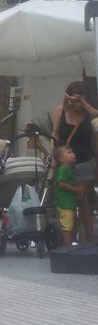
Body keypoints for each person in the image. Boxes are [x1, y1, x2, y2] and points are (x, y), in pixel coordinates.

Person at [52, 81, 98, 243]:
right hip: (65, 162)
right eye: (75, 100)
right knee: (68, 201)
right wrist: (53, 155)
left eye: (81, 100)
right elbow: (55, 134)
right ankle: (70, 238)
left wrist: (83, 103)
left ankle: (89, 238)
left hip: (85, 160)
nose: (77, 105)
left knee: (83, 198)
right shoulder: (61, 110)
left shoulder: (88, 113)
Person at [54, 146, 81, 245]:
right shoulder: (63, 169)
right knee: (67, 227)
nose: (73, 154)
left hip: (70, 203)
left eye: (73, 152)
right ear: (61, 159)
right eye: (69, 152)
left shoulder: (69, 169)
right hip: (65, 204)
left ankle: (69, 244)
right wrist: (75, 189)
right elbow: (61, 183)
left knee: (71, 225)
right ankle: (67, 246)